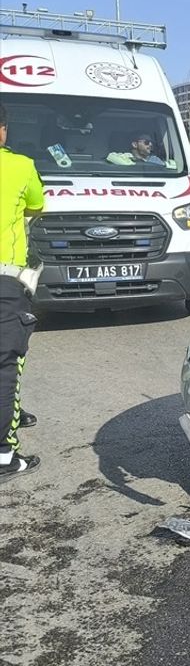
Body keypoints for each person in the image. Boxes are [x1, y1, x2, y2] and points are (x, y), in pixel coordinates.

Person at [0, 103, 45, 482]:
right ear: (2, 131)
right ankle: (3, 455)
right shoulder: (19, 166)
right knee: (6, 365)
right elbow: (37, 205)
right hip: (4, 282)